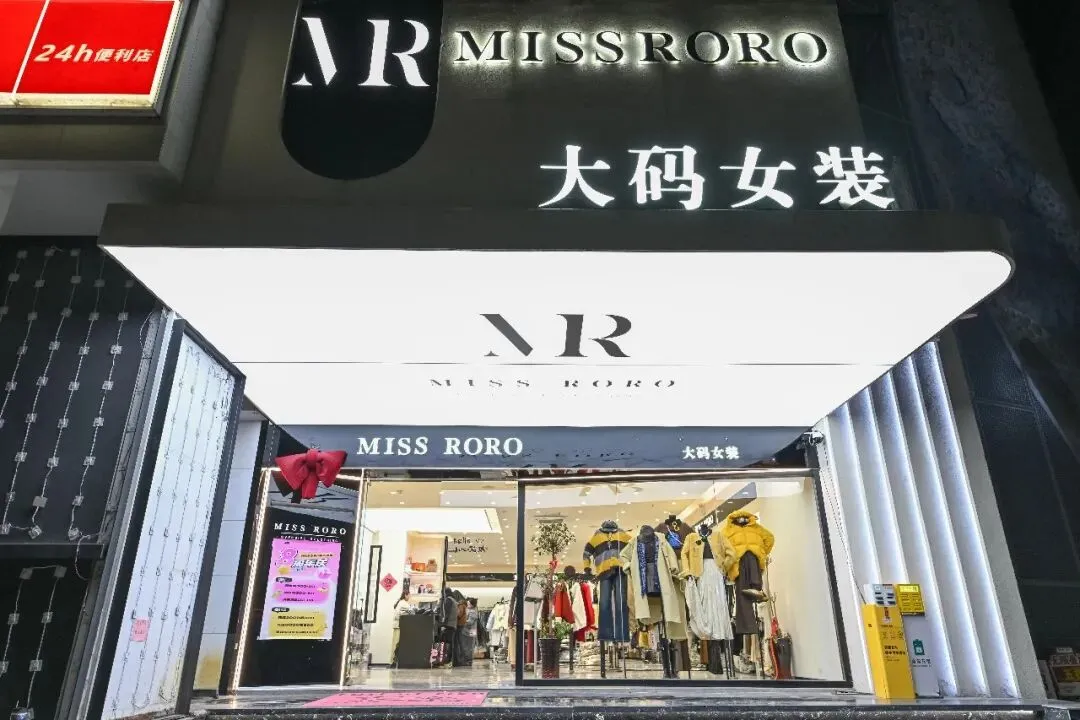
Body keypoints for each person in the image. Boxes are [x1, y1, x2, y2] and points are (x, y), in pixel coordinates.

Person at [455, 598, 479, 667]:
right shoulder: (472, 611)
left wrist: (462, 622)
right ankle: (468, 661)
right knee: (468, 646)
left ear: (472, 605)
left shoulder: (472, 612)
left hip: (470, 631)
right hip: (471, 631)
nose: (467, 605)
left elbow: (470, 622)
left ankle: (468, 661)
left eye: (468, 603)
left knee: (468, 647)